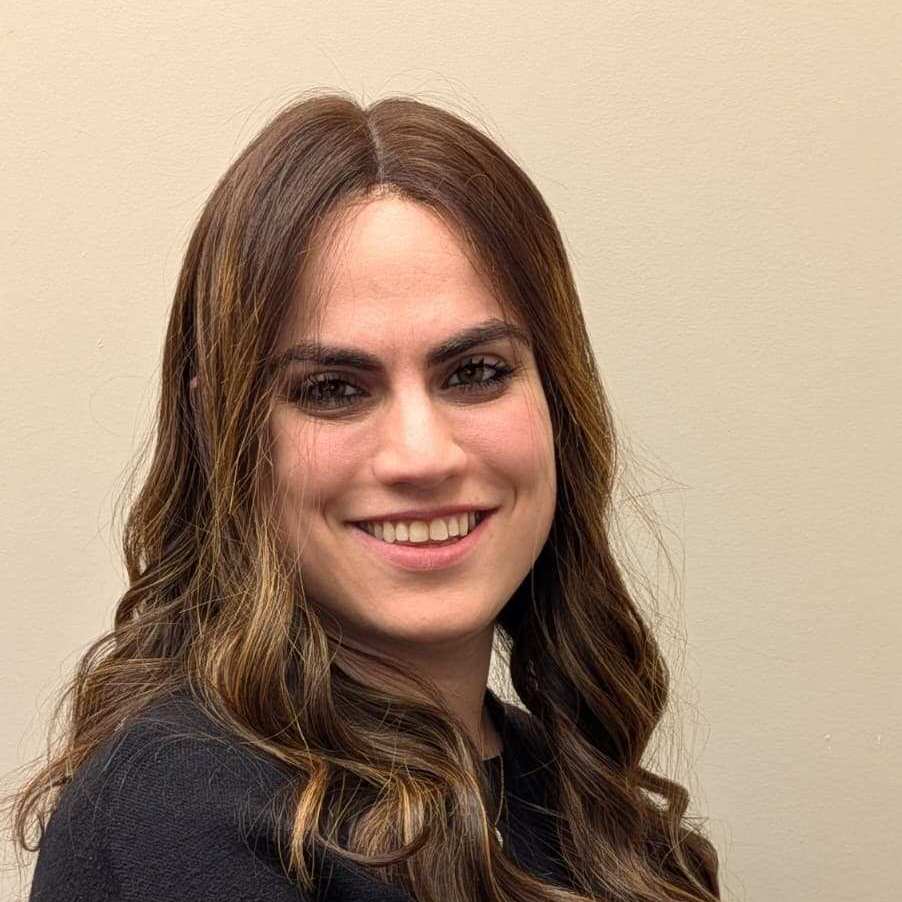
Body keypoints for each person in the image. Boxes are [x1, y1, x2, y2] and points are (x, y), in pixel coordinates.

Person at [6, 91, 720, 901]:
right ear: (221, 432)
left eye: (476, 373)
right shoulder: (180, 810)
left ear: (559, 399)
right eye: (333, 389)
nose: (422, 455)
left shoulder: (584, 803)